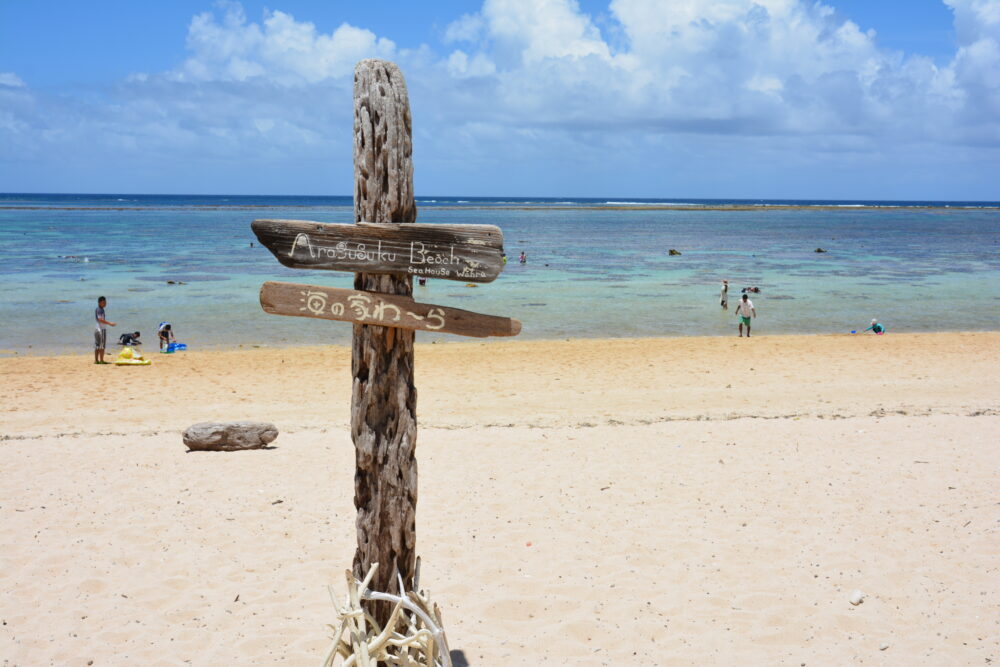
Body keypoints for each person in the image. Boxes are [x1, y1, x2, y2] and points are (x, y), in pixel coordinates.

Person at [94, 296, 116, 364]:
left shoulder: (98, 309)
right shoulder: (100, 310)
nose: (105, 304)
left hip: (97, 329)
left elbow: (99, 319)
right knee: (102, 346)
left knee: (97, 345)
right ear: (99, 302)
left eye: (105, 302)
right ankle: (101, 360)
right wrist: (110, 323)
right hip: (101, 329)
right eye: (103, 302)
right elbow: (100, 319)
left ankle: (97, 360)